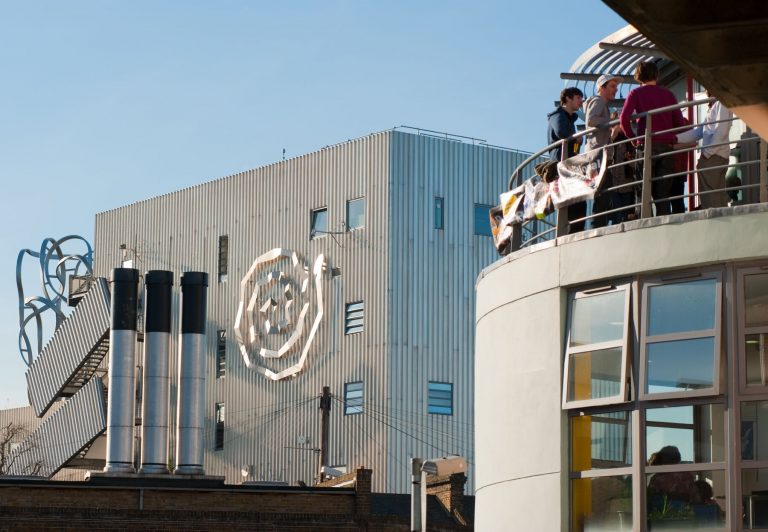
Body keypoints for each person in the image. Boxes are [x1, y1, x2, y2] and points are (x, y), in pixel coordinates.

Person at [620, 61, 688, 216]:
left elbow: (624, 119)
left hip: (646, 145)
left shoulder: (636, 93)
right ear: (656, 75)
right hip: (666, 147)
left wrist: (632, 137)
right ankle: (664, 223)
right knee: (663, 193)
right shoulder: (668, 94)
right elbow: (679, 123)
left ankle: (644, 222)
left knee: (642, 190)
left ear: (638, 76)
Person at [585, 74, 622, 227]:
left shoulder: (601, 104)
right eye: (612, 86)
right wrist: (611, 121)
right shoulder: (599, 101)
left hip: (598, 155)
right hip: (598, 157)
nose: (616, 89)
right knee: (602, 195)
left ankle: (598, 226)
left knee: (604, 196)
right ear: (602, 88)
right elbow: (591, 120)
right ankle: (597, 227)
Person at [547, 87, 585, 232]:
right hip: (561, 166)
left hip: (568, 165)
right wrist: (575, 137)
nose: (581, 102)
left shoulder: (569, 119)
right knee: (573, 202)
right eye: (578, 98)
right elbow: (561, 132)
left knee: (578, 201)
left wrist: (576, 141)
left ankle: (574, 232)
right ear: (568, 98)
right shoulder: (557, 116)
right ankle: (571, 232)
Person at [691, 92, 733, 208]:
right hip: (717, 156)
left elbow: (721, 131)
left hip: (713, 157)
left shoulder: (720, 103)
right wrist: (676, 138)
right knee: (717, 196)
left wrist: (707, 154)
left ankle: (715, 219)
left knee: (710, 198)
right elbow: (698, 132)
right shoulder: (716, 105)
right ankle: (721, 219)